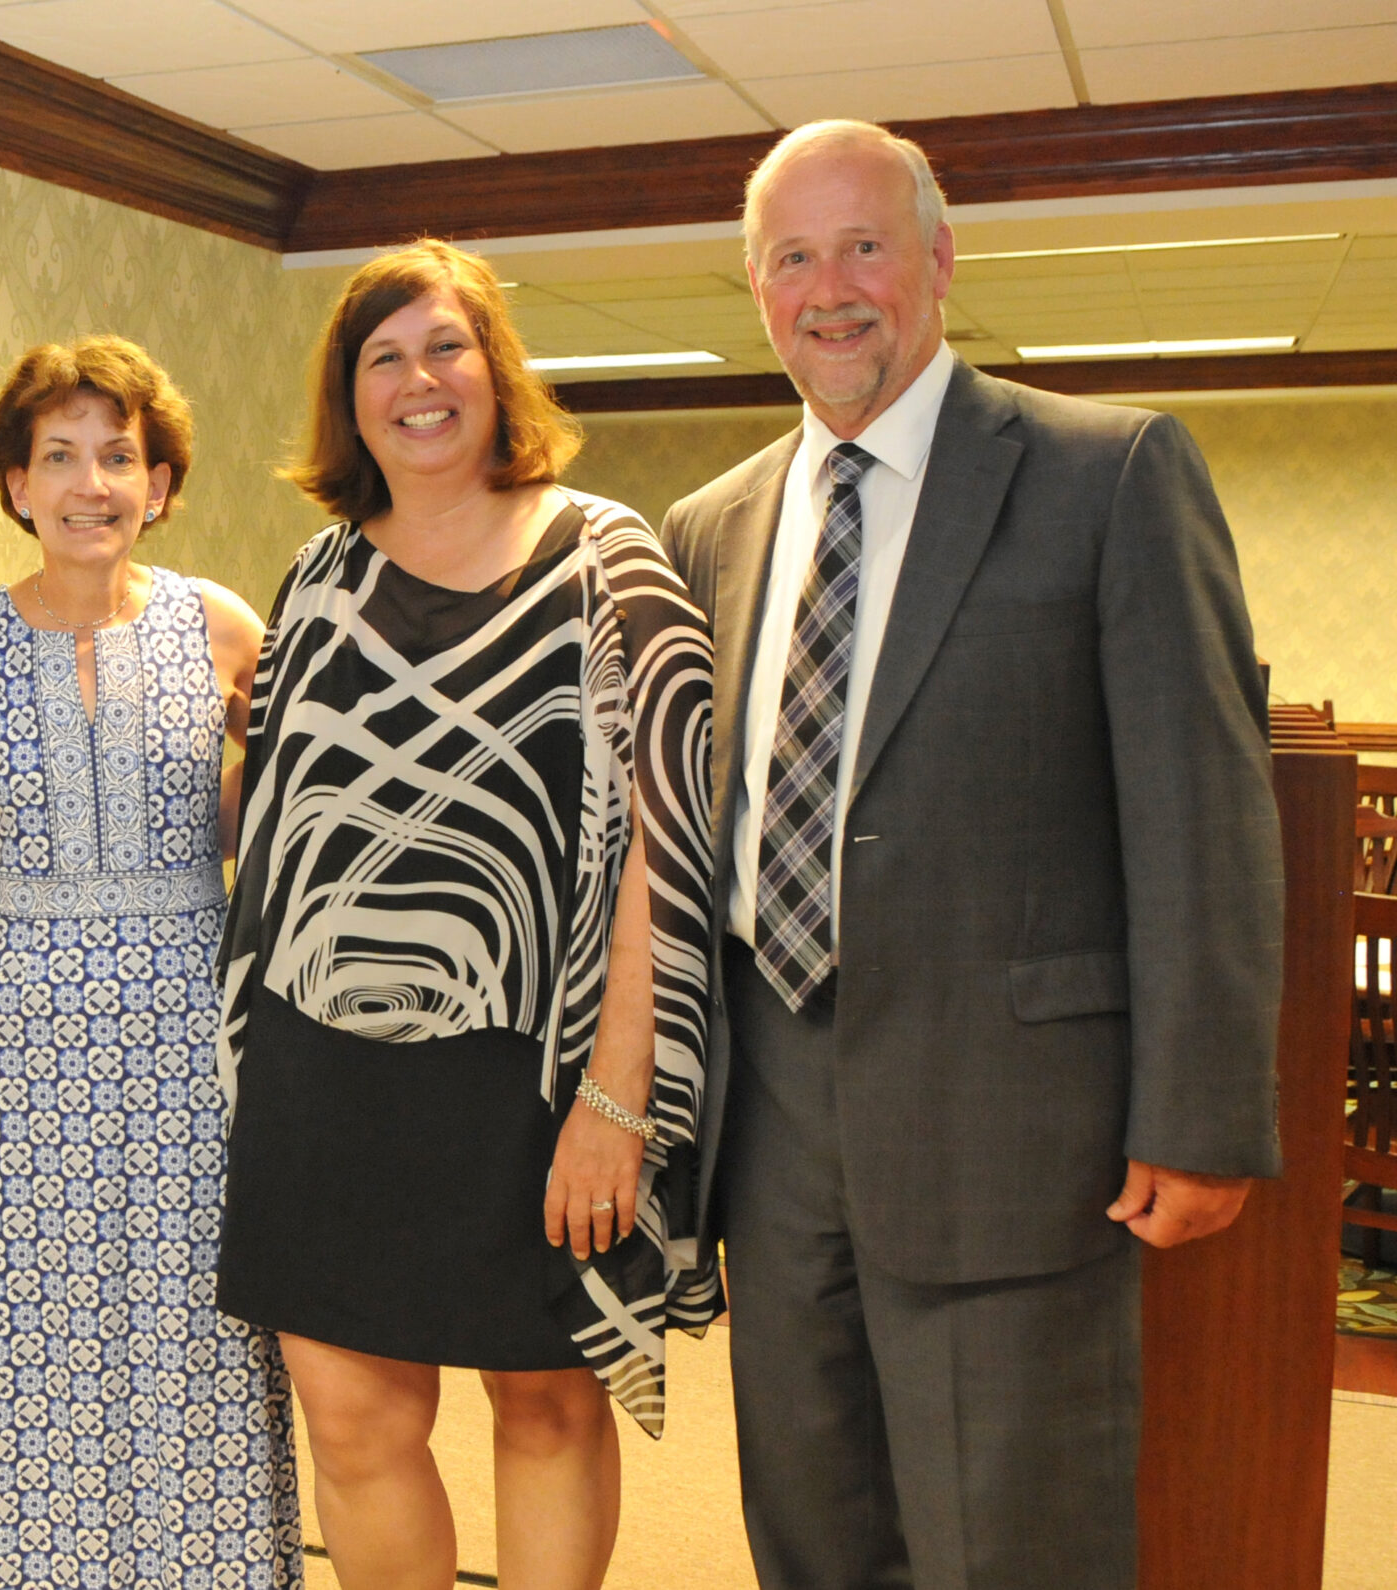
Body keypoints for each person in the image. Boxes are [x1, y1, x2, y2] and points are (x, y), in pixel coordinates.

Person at [659, 120, 1284, 1590]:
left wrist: (1201, 1107)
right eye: (793, 257)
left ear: (939, 260)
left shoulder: (1106, 471)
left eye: (864, 245)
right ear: (755, 289)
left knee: (1015, 1545)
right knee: (811, 1534)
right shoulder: (709, 527)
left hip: (1015, 1123)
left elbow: (1202, 810)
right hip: (778, 1118)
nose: (832, 287)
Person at [214, 240, 719, 1590]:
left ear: (498, 374)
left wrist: (618, 1097)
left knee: (546, 1401)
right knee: (356, 1415)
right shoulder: (315, 575)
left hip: (531, 1068)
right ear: (350, 394)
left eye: (446, 348)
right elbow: (275, 829)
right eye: (383, 356)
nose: (418, 381)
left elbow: (666, 847)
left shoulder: (610, 559)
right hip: (320, 1070)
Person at [0, 336, 303, 1589]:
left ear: (159, 483)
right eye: (60, 456)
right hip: (21, 1038)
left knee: (195, 1324)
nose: (90, 482)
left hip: (183, 1026)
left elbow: (261, 818)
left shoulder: (223, 628)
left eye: (120, 456)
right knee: (14, 1322)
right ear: (14, 482)